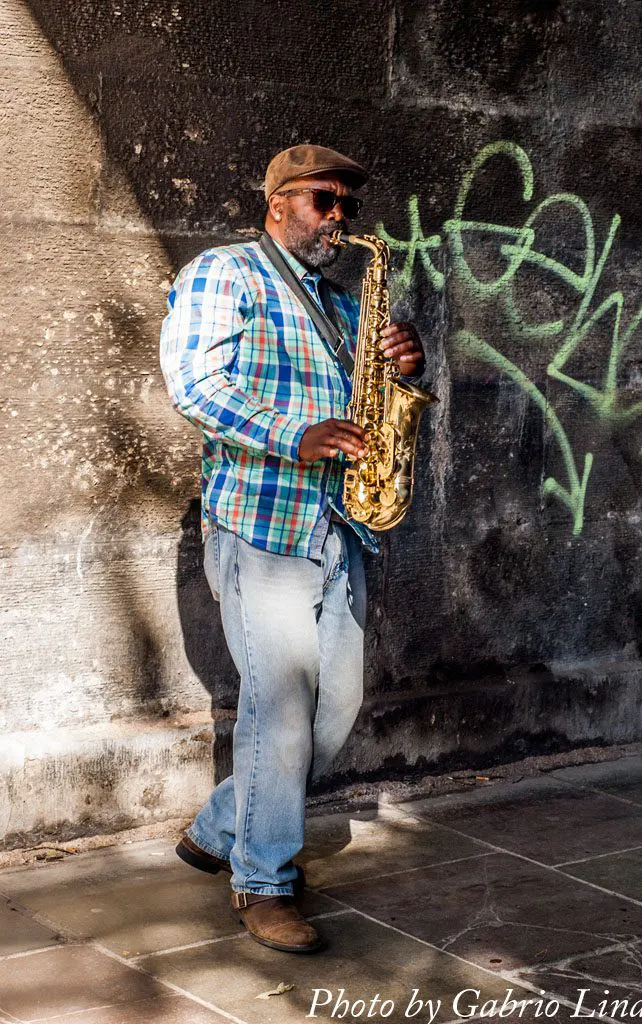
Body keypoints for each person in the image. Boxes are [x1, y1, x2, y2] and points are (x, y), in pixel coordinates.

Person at [159, 144, 425, 953]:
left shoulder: (344, 305)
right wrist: (294, 434)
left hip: (340, 524)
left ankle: (217, 827)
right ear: (278, 203)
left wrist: (401, 364)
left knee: (332, 713)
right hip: (261, 523)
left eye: (345, 203)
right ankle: (262, 882)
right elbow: (195, 384)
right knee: (279, 712)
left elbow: (370, 405)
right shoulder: (225, 273)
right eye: (321, 199)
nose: (336, 216)